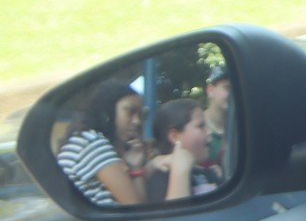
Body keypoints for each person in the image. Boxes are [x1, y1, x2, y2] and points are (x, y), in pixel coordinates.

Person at [56, 79, 150, 208]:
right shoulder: (92, 143)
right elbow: (136, 209)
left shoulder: (84, 140)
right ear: (107, 111)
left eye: (140, 116)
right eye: (130, 112)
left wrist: (136, 167)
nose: (137, 121)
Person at [145, 98, 219, 203]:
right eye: (201, 126)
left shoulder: (209, 173)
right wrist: (180, 171)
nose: (209, 132)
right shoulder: (161, 179)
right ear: (175, 136)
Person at [203, 67, 234, 178]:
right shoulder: (192, 127)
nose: (233, 94)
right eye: (227, 88)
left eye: (237, 89)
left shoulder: (242, 128)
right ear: (210, 90)